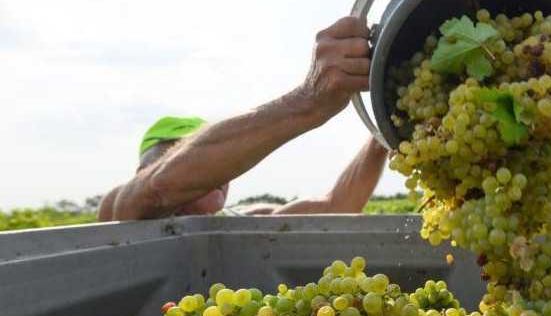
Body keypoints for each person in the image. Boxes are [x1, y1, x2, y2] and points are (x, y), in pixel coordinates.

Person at [98, 17, 388, 221]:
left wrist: (384, 130)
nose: (215, 171)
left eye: (222, 154)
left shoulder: (241, 219)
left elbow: (339, 206)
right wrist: (308, 101)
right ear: (142, 171)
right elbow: (158, 187)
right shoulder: (120, 210)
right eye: (182, 155)